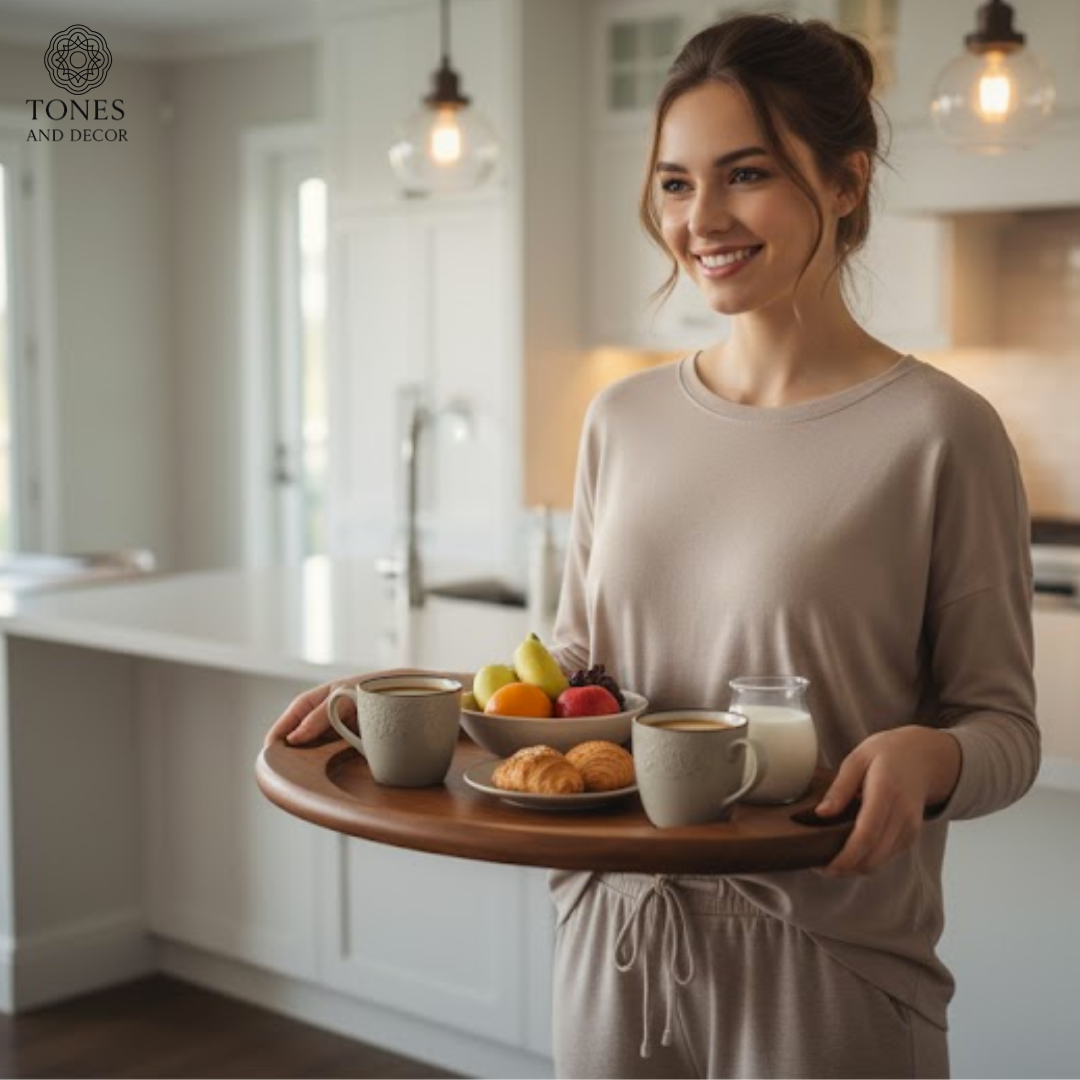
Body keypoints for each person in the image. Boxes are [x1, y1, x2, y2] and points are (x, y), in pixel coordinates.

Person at [268, 13, 1038, 1079]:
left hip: (827, 963)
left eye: (746, 173)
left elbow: (1004, 729)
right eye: (675, 183)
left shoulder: (939, 432)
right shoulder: (621, 419)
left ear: (849, 182)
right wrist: (417, 701)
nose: (700, 217)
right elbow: (579, 680)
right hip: (612, 942)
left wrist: (931, 754)